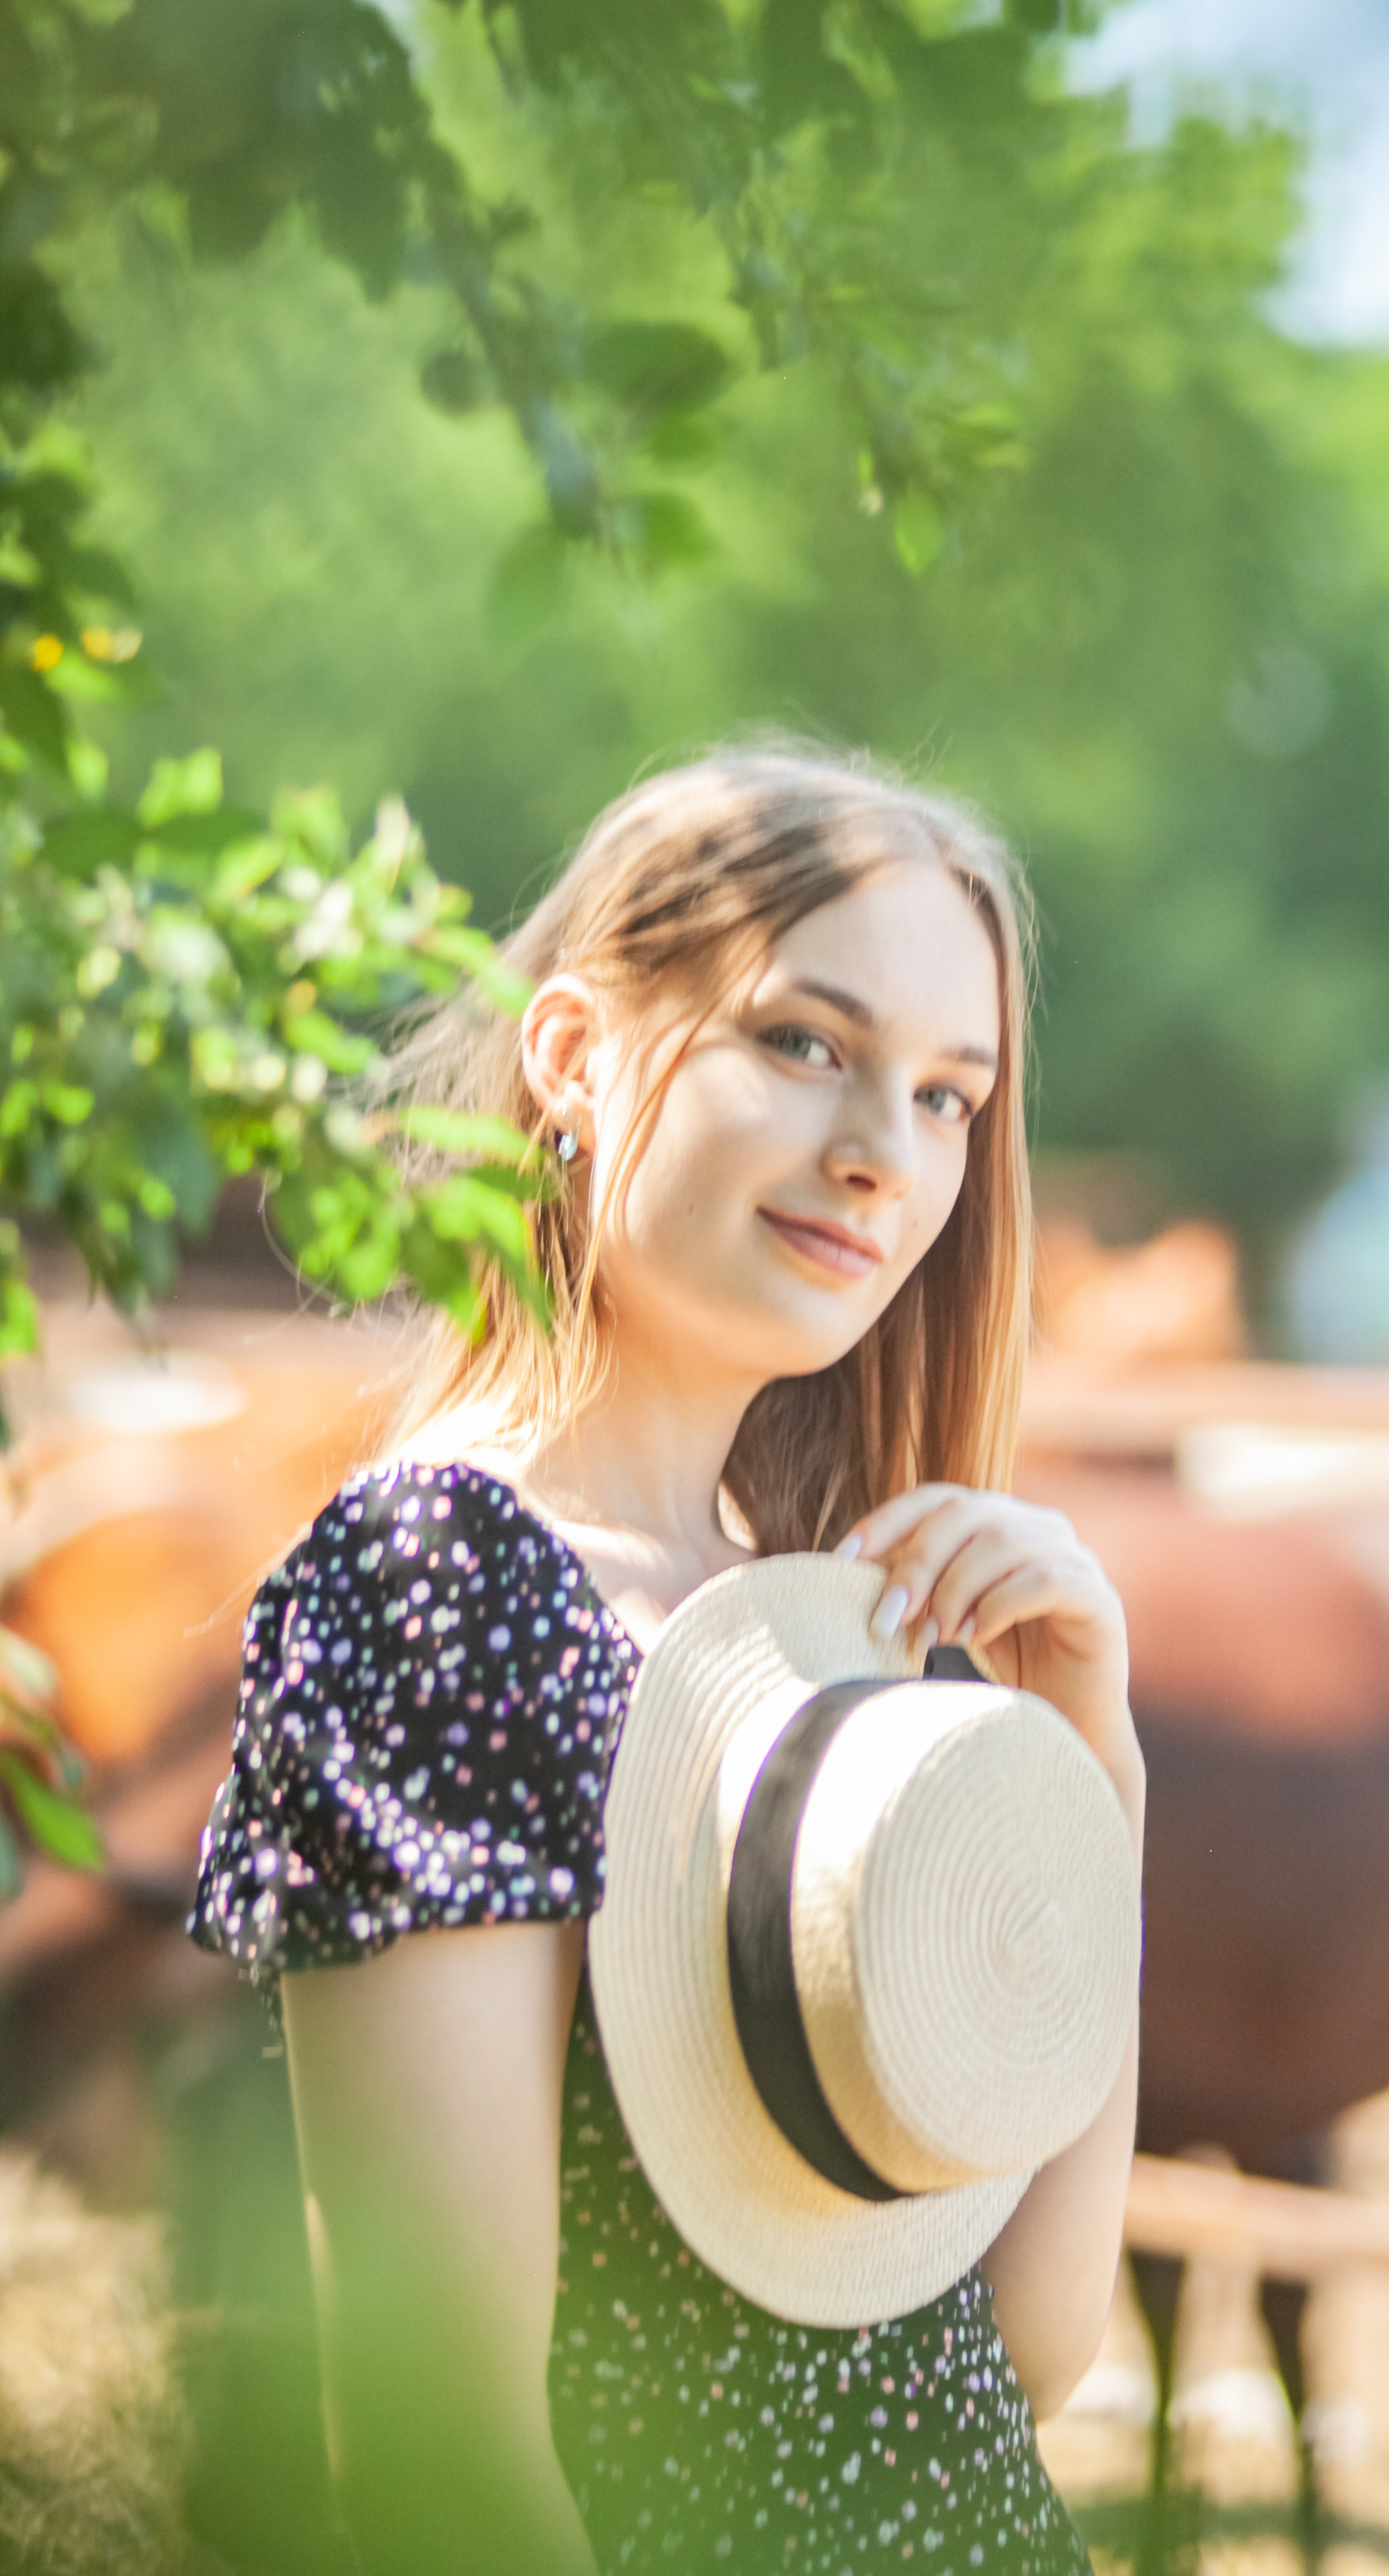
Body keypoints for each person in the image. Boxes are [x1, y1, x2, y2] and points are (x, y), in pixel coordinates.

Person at [190, 749, 1147, 2576]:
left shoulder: (837, 1624)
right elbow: (439, 2481)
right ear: (568, 1055)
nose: (887, 1153)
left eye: (954, 1097)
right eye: (804, 1042)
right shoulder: (447, 1588)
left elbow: (1026, 2341)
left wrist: (1091, 1773)